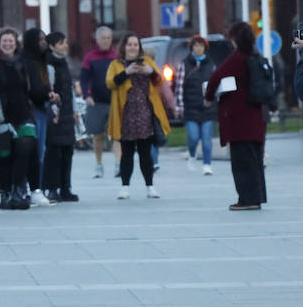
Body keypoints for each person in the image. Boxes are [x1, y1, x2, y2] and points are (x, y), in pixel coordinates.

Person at [206, 22, 267, 210]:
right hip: (257, 118)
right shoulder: (256, 57)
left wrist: (208, 97)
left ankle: (246, 200)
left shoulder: (238, 58)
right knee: (256, 163)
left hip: (240, 121)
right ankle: (257, 198)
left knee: (241, 164)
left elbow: (216, 77)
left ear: (235, 39)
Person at [0, 27, 40, 210]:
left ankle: (17, 190)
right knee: (4, 157)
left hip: (23, 114)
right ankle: (4, 193)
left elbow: (33, 88)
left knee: (25, 147)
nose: (8, 44)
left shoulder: (24, 63)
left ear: (16, 43)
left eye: (11, 41)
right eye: (4, 41)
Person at [106, 33, 169, 200]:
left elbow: (160, 81)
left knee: (145, 153)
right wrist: (126, 72)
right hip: (125, 114)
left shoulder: (147, 61)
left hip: (144, 113)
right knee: (126, 153)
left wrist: (150, 72)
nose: (133, 47)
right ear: (124, 47)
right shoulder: (116, 64)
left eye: (135, 44)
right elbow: (110, 83)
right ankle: (125, 186)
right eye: (129, 44)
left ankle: (150, 186)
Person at [22, 29, 60, 205]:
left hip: (40, 108)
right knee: (33, 152)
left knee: (40, 151)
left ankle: (36, 188)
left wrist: (49, 95)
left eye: (45, 39)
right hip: (31, 110)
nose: (44, 42)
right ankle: (31, 189)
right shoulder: (28, 62)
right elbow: (33, 90)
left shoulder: (41, 61)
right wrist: (48, 95)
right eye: (40, 39)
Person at [41, 32, 79, 203]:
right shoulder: (49, 65)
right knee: (54, 153)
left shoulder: (64, 63)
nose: (65, 45)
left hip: (67, 112)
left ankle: (66, 188)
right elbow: (50, 89)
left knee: (67, 152)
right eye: (62, 43)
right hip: (56, 114)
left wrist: (75, 110)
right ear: (52, 46)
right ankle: (52, 188)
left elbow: (69, 89)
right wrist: (54, 110)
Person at [176, 34, 218, 176]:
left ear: (205, 48)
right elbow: (179, 87)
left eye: (201, 46)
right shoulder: (184, 64)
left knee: (206, 139)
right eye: (195, 46)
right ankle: (192, 155)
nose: (198, 48)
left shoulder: (211, 65)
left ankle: (207, 164)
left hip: (208, 108)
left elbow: (216, 85)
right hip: (191, 108)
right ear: (192, 48)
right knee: (193, 137)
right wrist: (179, 105)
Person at [80, 25, 118, 178]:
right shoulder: (90, 57)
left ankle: (118, 164)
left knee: (116, 135)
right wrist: (86, 96)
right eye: (103, 38)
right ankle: (99, 164)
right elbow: (84, 79)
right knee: (97, 135)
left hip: (114, 101)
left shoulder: (116, 56)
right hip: (96, 102)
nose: (106, 41)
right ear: (97, 39)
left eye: (109, 38)